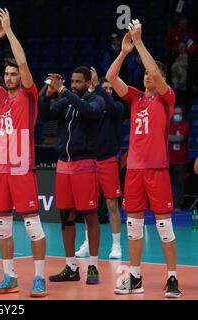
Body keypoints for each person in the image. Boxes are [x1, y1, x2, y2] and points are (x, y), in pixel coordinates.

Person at [106, 19, 181, 298]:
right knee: (134, 226)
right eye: (146, 75)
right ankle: (134, 277)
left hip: (157, 169)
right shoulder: (136, 98)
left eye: (153, 74)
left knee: (163, 226)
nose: (148, 77)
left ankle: (172, 277)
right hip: (135, 170)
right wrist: (125, 52)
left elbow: (155, 73)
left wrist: (139, 42)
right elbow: (111, 78)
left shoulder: (166, 97)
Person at [0, 8, 47, 297]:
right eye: (6, 74)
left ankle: (40, 279)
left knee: (32, 226)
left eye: (12, 74)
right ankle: (10, 277)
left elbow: (22, 60)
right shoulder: (2, 97)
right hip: (0, 169)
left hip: (21, 167)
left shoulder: (29, 94)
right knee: (2, 228)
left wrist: (11, 31)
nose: (8, 78)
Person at [41, 67, 104, 285]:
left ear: (88, 82)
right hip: (63, 165)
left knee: (89, 215)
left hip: (84, 163)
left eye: (79, 82)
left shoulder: (97, 100)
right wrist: (47, 93)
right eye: (73, 81)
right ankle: (71, 266)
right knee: (65, 216)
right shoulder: (66, 101)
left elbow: (88, 111)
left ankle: (94, 266)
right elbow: (44, 116)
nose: (75, 85)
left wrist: (65, 91)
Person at [75, 70, 123, 260]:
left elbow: (110, 105)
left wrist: (99, 88)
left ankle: (116, 245)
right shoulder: (91, 105)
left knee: (112, 204)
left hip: (108, 161)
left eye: (111, 88)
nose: (109, 91)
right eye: (106, 88)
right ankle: (87, 243)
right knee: (89, 207)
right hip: (89, 161)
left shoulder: (116, 107)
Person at [168, 106, 190, 211]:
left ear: (182, 115)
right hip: (168, 159)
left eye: (179, 114)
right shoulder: (169, 125)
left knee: (179, 184)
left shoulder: (185, 126)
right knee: (166, 183)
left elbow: (180, 138)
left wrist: (167, 137)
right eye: (176, 113)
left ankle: (178, 205)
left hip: (181, 160)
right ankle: (167, 203)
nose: (177, 116)